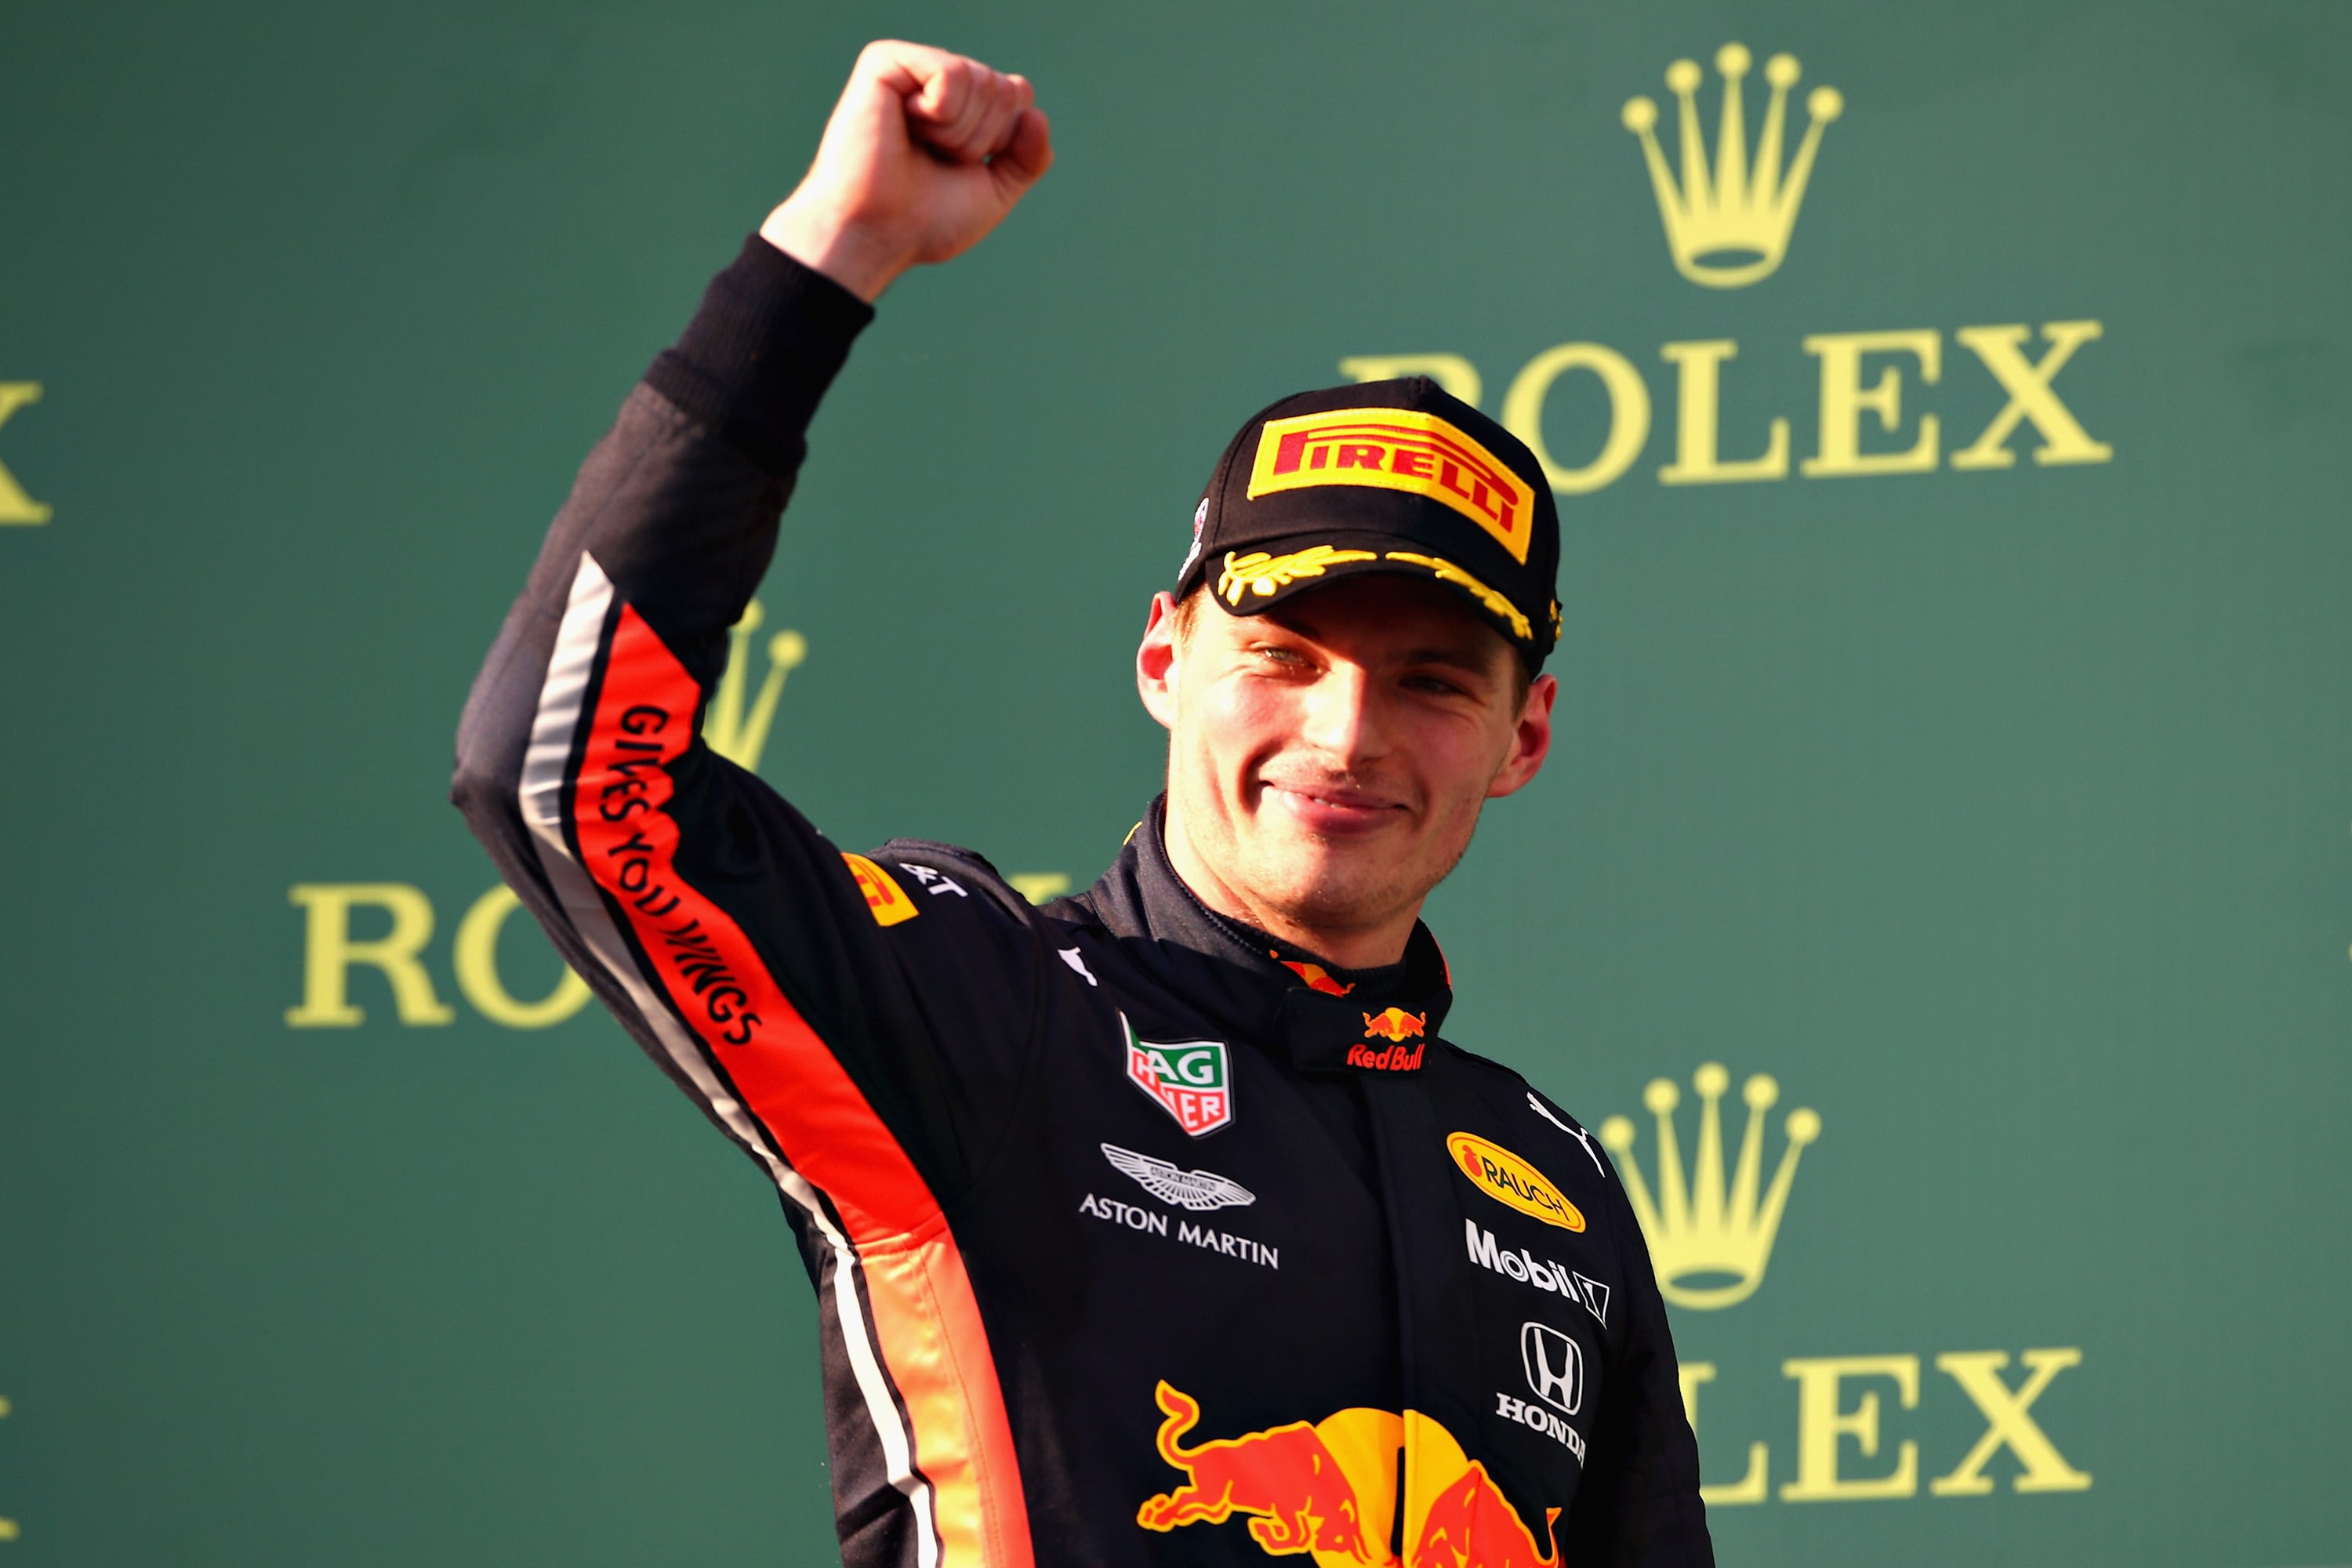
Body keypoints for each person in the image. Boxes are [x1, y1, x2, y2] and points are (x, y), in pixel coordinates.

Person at [453, 39, 1709, 1568]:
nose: (1345, 732)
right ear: (1165, 658)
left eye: (1432, 681)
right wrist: (833, 253)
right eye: (1284, 655)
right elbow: (564, 774)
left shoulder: (1553, 1181)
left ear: (1525, 737)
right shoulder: (992, 1009)